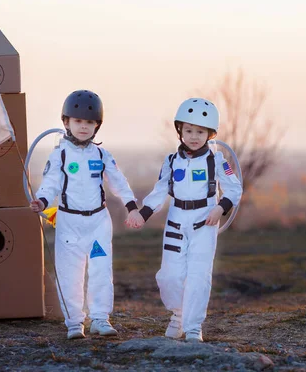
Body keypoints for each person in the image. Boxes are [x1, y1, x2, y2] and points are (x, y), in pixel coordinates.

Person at [30, 90, 145, 339]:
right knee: (70, 273)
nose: (84, 127)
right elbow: (50, 183)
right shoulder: (59, 154)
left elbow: (118, 182)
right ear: (66, 123)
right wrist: (41, 200)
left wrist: (131, 206)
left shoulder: (102, 155)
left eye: (89, 122)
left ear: (97, 126)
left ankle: (100, 318)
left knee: (101, 271)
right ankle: (74, 322)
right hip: (69, 223)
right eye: (79, 121)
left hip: (98, 223)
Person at [126, 98, 242, 342]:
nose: (194, 136)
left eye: (200, 131)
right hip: (177, 220)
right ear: (180, 130)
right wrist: (142, 214)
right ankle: (177, 314)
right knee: (170, 275)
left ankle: (192, 326)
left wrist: (220, 209)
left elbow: (234, 190)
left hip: (206, 221)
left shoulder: (216, 160)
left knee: (199, 275)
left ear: (210, 133)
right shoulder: (171, 161)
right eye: (189, 130)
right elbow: (159, 192)